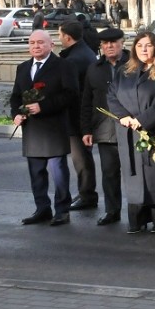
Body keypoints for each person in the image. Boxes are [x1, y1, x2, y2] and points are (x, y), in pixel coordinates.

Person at [107, 32, 155, 234]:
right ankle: (136, 220)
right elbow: (112, 96)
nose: (144, 49)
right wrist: (122, 116)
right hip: (129, 132)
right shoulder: (124, 71)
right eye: (139, 46)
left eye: (148, 45)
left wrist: (142, 120)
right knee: (134, 177)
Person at [12, 30, 80, 226]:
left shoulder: (64, 66)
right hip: (31, 129)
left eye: (41, 42)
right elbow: (16, 96)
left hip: (54, 128)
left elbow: (71, 94)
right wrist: (16, 113)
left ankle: (62, 210)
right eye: (32, 43)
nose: (36, 46)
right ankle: (42, 208)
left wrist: (44, 106)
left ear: (51, 45)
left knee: (58, 172)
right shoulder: (23, 67)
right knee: (36, 173)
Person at [81, 28, 129, 226]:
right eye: (105, 43)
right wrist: (86, 129)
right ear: (100, 46)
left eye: (113, 42)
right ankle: (112, 211)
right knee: (109, 173)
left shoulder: (134, 64)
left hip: (131, 128)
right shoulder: (94, 68)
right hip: (104, 129)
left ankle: (140, 211)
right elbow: (87, 101)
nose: (109, 46)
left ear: (122, 43)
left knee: (134, 173)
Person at [59, 21, 100, 212]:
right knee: (83, 156)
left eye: (59, 35)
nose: (59, 39)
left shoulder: (74, 59)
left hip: (77, 116)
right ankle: (85, 192)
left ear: (67, 37)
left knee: (81, 157)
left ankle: (87, 194)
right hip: (84, 113)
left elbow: (71, 91)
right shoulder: (85, 52)